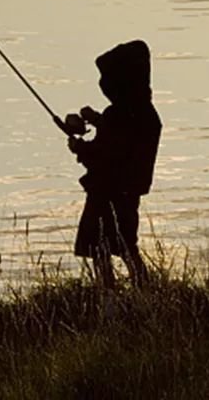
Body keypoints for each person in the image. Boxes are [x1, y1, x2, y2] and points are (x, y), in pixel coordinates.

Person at [64, 39, 161, 288]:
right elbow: (122, 138)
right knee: (127, 244)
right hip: (129, 193)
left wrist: (79, 148)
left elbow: (104, 154)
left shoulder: (118, 116)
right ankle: (145, 290)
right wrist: (96, 119)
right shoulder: (146, 113)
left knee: (99, 246)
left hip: (105, 192)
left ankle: (108, 295)